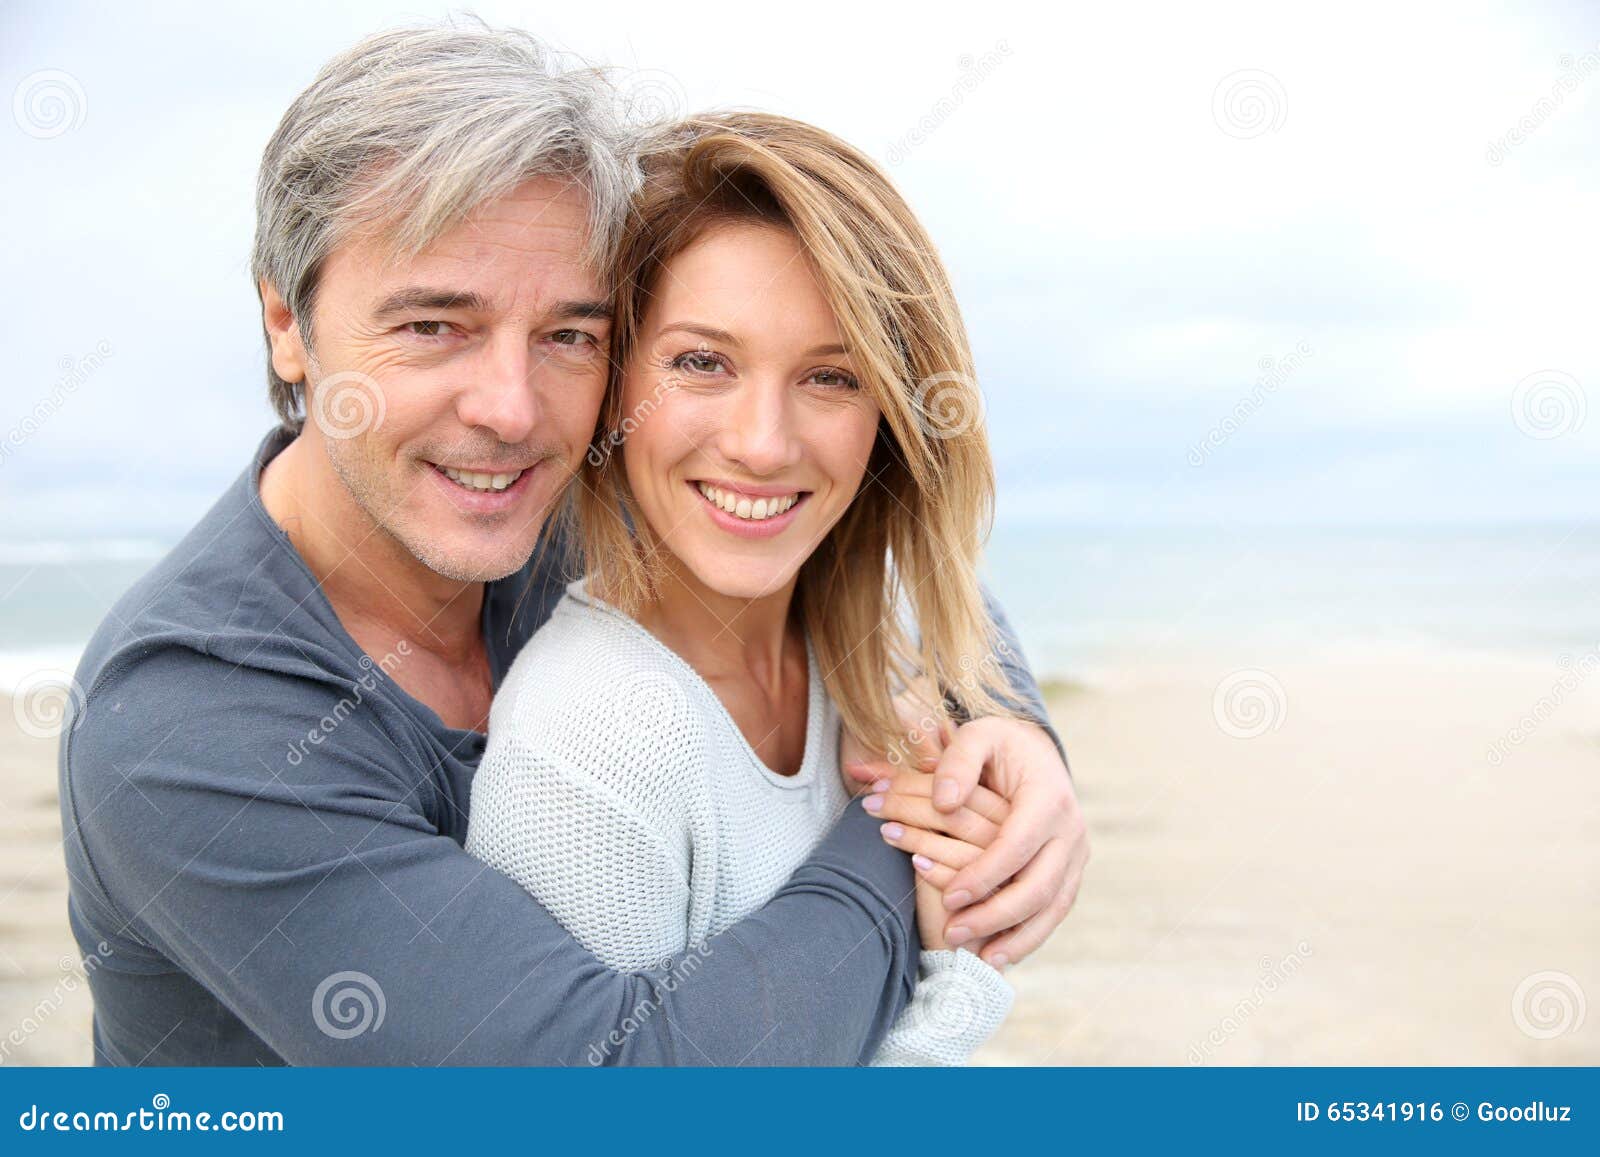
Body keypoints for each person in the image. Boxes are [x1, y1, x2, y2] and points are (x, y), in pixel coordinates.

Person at [57, 23, 1087, 1066]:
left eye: (569, 335)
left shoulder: (566, 493)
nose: (511, 409)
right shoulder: (184, 721)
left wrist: (1014, 730)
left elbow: (858, 554)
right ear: (289, 320)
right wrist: (899, 832)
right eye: (432, 326)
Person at [467, 112, 1041, 1064]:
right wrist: (962, 978)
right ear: (615, 381)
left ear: (891, 418)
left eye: (831, 376)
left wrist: (1017, 747)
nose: (764, 442)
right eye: (702, 362)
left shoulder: (879, 641)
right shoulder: (591, 742)